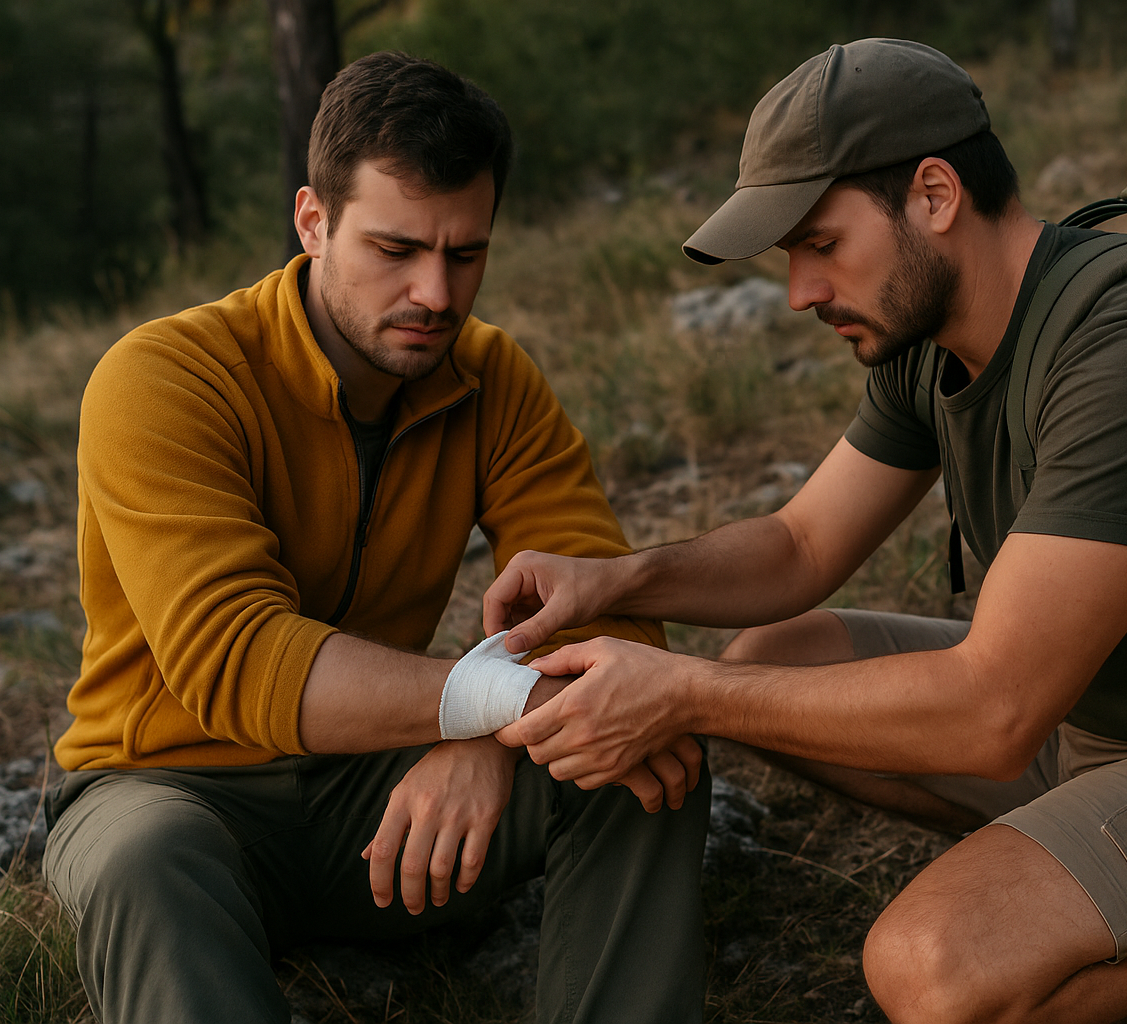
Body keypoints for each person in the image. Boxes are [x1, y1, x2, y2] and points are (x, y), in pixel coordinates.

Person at [485, 38, 1127, 1024]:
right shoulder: (934, 336)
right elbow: (800, 546)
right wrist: (615, 581)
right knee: (777, 656)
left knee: (928, 972)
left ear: (935, 195)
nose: (800, 291)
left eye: (821, 243)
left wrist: (684, 694)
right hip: (1083, 722)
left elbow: (994, 711)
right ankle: (1094, 875)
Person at [43, 50, 708, 1024]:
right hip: (173, 790)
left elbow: (609, 602)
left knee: (643, 746)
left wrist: (488, 738)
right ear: (313, 221)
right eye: (396, 249)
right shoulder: (165, 378)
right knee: (146, 860)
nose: (436, 293)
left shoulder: (493, 378)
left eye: (465, 254)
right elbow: (239, 661)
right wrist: (491, 706)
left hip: (380, 794)